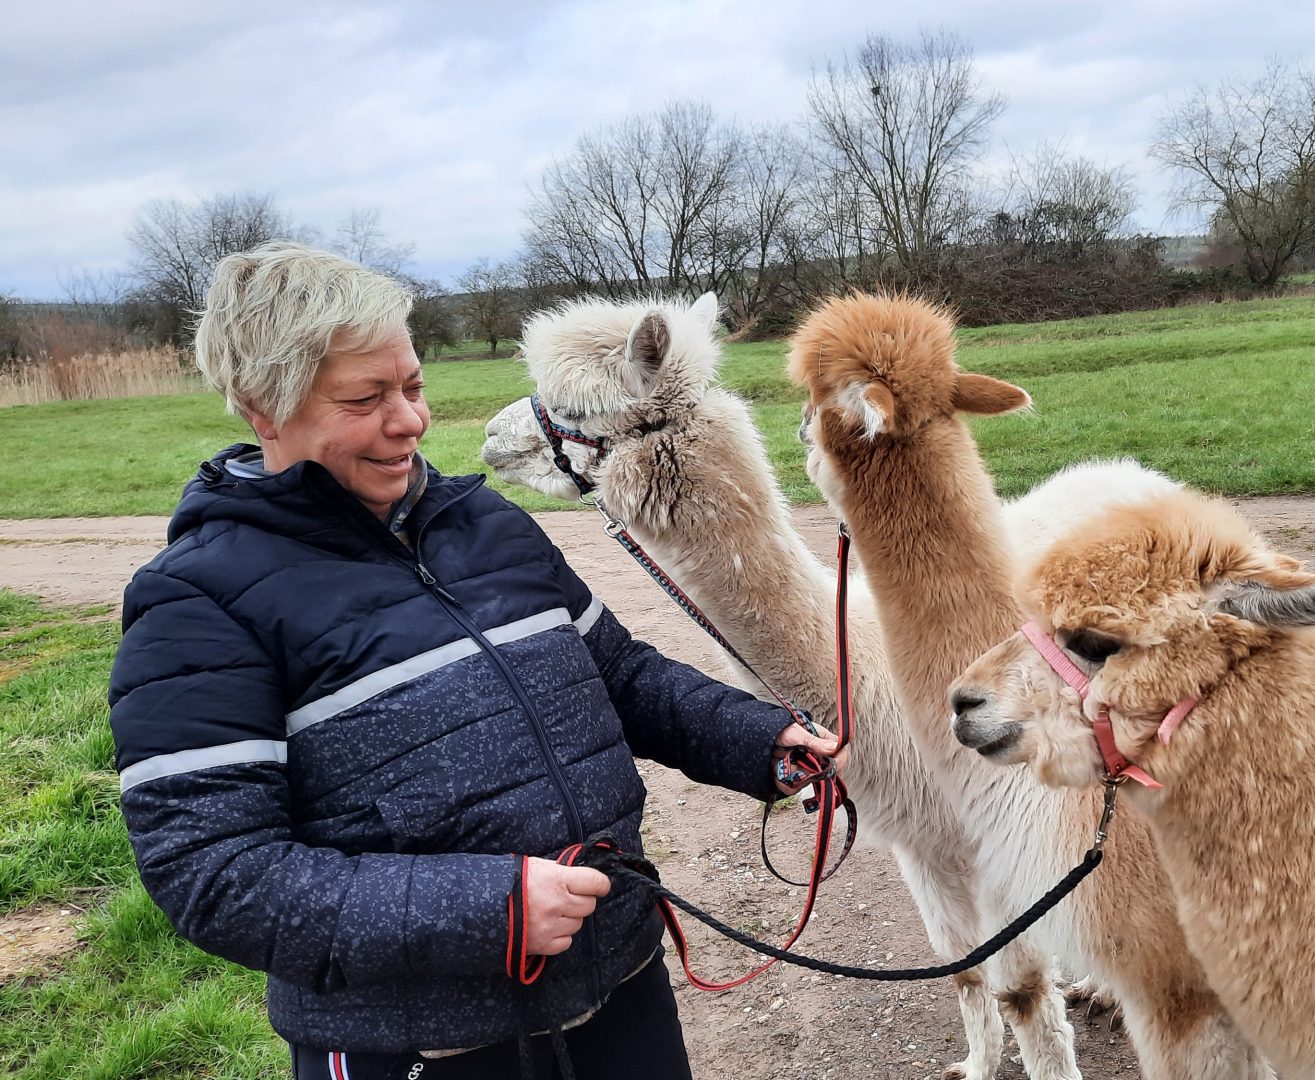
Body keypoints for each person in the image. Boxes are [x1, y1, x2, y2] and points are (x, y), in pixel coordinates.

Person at [107, 242, 839, 1079]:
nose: (409, 420)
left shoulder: (486, 526)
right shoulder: (197, 604)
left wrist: (759, 737)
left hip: (620, 986)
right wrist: (489, 912)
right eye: (365, 397)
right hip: (425, 1049)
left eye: (413, 385)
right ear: (262, 408)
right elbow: (214, 873)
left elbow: (619, 675)